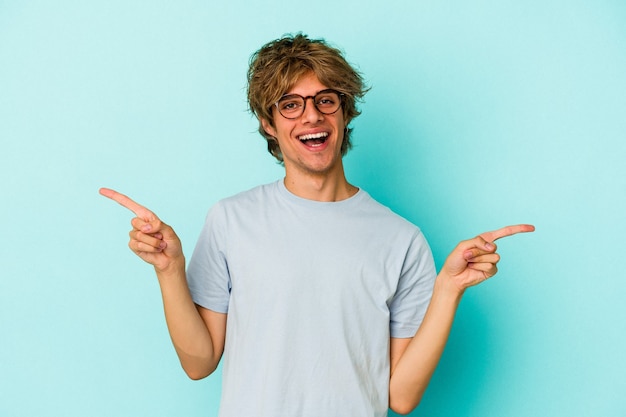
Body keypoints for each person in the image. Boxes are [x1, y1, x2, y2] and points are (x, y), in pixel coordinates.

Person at [100, 34, 534, 417]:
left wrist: (448, 290)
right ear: (268, 125)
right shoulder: (231, 220)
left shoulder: (401, 240)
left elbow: (401, 397)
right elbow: (199, 363)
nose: (311, 116)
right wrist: (170, 270)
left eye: (326, 100)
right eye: (290, 105)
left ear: (345, 112)